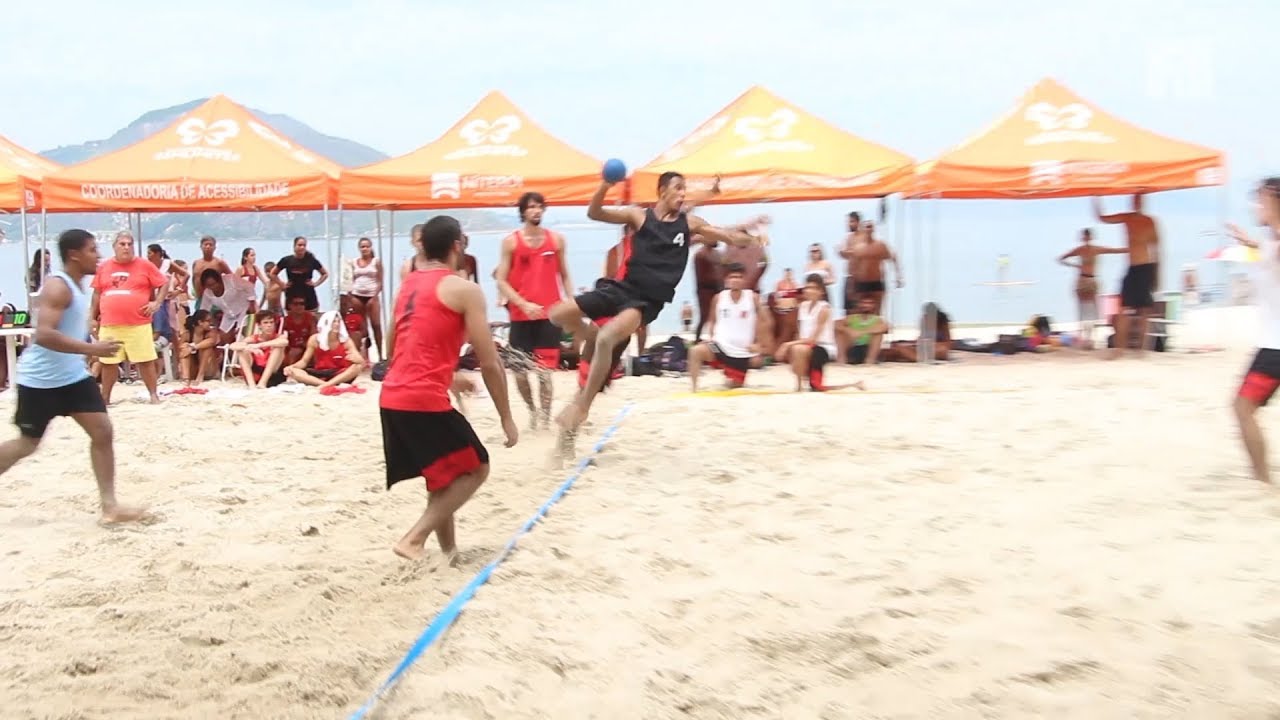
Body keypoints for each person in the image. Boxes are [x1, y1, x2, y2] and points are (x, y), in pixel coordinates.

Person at [549, 171, 766, 433]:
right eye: (678, 188)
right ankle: (575, 413)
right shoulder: (637, 219)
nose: (683, 194)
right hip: (618, 291)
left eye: (684, 189)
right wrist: (605, 185)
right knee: (557, 315)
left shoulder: (688, 224)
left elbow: (726, 235)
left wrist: (752, 239)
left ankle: (582, 407)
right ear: (662, 191)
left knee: (604, 343)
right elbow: (595, 213)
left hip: (643, 303)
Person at [380, 215, 517, 563]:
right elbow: (490, 361)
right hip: (421, 398)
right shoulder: (465, 290)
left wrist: (448, 376)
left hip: (392, 394)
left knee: (443, 477)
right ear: (458, 246)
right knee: (477, 467)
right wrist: (506, 418)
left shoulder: (408, 284)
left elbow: (393, 345)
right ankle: (413, 539)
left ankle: (449, 555)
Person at [0, 229, 145, 524]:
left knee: (102, 432)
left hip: (72, 378)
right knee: (28, 443)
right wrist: (92, 348)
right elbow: (44, 334)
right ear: (74, 255)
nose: (99, 255)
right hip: (40, 381)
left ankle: (110, 507)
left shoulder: (79, 286)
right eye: (92, 250)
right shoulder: (58, 286)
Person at [495, 192, 573, 430]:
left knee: (545, 372)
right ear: (523, 212)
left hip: (550, 315)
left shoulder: (556, 240)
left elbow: (565, 275)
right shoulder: (511, 242)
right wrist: (523, 304)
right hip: (521, 316)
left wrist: (571, 303)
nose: (536, 211)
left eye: (539, 206)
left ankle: (545, 419)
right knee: (519, 373)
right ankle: (532, 410)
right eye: (531, 207)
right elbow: (501, 280)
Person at [1228, 177, 1280, 484]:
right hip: (1272, 345)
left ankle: (1262, 480)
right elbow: (1268, 251)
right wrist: (1250, 243)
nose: (1255, 206)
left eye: (1260, 201)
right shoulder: (1270, 243)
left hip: (1275, 349)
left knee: (1242, 407)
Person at [90, 231, 168, 404]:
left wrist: (157, 303)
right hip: (110, 323)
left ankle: (153, 395)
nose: (126, 247)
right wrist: (92, 318)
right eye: (122, 244)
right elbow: (96, 293)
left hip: (138, 322)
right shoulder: (104, 267)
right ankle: (106, 397)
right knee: (109, 362)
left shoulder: (144, 265)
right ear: (114, 246)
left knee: (145, 360)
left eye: (129, 244)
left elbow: (163, 283)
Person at [1094, 194, 1160, 358]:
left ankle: (1142, 350)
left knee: (1144, 311)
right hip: (1132, 268)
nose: (1136, 202)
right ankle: (1119, 349)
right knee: (1123, 309)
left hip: (1146, 267)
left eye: (1139, 200)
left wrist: (1157, 274)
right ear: (1131, 202)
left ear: (1143, 202)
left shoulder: (1148, 221)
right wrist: (1096, 198)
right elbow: (1102, 218)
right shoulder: (1127, 218)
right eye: (1134, 200)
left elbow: (1156, 249)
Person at [688, 263, 768, 392]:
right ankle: (694, 388)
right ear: (726, 280)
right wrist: (709, 338)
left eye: (739, 277)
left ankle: (731, 376)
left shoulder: (753, 298)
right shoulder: (719, 298)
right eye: (732, 277)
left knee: (735, 386)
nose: (735, 280)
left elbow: (765, 322)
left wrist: (760, 345)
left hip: (742, 351)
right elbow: (712, 321)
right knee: (695, 351)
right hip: (721, 345)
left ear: (744, 280)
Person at [1057, 228, 1127, 347]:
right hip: (1082, 280)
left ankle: (1091, 337)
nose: (1086, 238)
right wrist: (1075, 266)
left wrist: (1128, 249)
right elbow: (1061, 259)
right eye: (1085, 236)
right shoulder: (1080, 249)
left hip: (1092, 279)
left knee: (1094, 309)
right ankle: (1083, 337)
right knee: (1082, 309)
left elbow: (1113, 250)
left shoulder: (1096, 249)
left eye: (1088, 236)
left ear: (1091, 237)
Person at [775, 273, 839, 391]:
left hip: (823, 346)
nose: (810, 291)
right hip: (806, 345)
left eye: (814, 288)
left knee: (798, 349)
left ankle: (799, 385)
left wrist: (787, 344)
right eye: (808, 288)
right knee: (796, 349)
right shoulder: (803, 306)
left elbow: (813, 339)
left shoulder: (824, 309)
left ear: (821, 291)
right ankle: (800, 382)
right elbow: (801, 332)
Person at [283, 311, 365, 392]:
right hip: (320, 372)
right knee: (295, 371)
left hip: (339, 374)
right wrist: (292, 367)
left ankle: (326, 385)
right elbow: (304, 361)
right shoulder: (314, 339)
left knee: (357, 367)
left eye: (338, 322)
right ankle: (326, 384)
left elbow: (361, 362)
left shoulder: (346, 340)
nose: (337, 324)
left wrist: (357, 359)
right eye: (334, 322)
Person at [842, 219, 903, 315]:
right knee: (859, 312)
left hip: (876, 282)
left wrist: (898, 276)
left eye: (870, 226)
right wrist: (851, 285)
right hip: (861, 283)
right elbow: (852, 268)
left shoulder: (880, 245)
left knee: (877, 312)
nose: (868, 229)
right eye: (866, 227)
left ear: (873, 229)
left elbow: (893, 257)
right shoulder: (858, 248)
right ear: (862, 229)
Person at [230, 309, 288, 389]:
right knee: (242, 351)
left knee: (278, 347)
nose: (269, 325)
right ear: (259, 325)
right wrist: (250, 348)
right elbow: (233, 346)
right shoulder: (254, 338)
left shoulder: (278, 337)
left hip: (272, 374)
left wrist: (258, 345)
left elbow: (284, 342)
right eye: (265, 323)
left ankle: (262, 383)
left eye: (271, 322)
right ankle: (251, 384)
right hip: (256, 373)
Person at [345, 237, 384, 355]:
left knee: (376, 325)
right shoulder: (354, 262)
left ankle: (381, 354)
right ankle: (365, 355)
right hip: (357, 296)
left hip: (372, 296)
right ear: (359, 248)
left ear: (371, 247)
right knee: (362, 327)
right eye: (362, 247)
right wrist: (350, 296)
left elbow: (380, 281)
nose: (365, 249)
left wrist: (375, 296)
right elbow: (349, 279)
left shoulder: (376, 262)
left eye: (367, 246)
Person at [197, 269, 256, 344]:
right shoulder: (207, 293)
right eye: (209, 286)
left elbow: (249, 286)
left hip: (245, 310)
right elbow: (204, 311)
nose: (212, 287)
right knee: (223, 339)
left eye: (214, 284)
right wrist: (211, 324)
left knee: (244, 334)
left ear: (219, 280)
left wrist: (251, 304)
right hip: (228, 316)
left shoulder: (231, 280)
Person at [271, 236, 328, 312]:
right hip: (292, 294)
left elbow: (325, 274)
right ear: (294, 246)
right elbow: (273, 274)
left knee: (311, 317)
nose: (302, 247)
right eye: (300, 245)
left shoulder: (311, 260)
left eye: (304, 245)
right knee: (292, 317)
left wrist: (316, 284)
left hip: (308, 294)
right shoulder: (286, 260)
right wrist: (282, 284)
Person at [836, 294, 888, 365]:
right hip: (853, 346)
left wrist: (862, 332)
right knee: (840, 332)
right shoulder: (852, 318)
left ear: (873, 306)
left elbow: (885, 327)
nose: (866, 305)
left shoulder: (877, 319)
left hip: (868, 348)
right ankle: (842, 358)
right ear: (859, 304)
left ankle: (870, 361)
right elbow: (836, 324)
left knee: (878, 334)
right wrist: (849, 331)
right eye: (864, 303)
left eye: (869, 303)